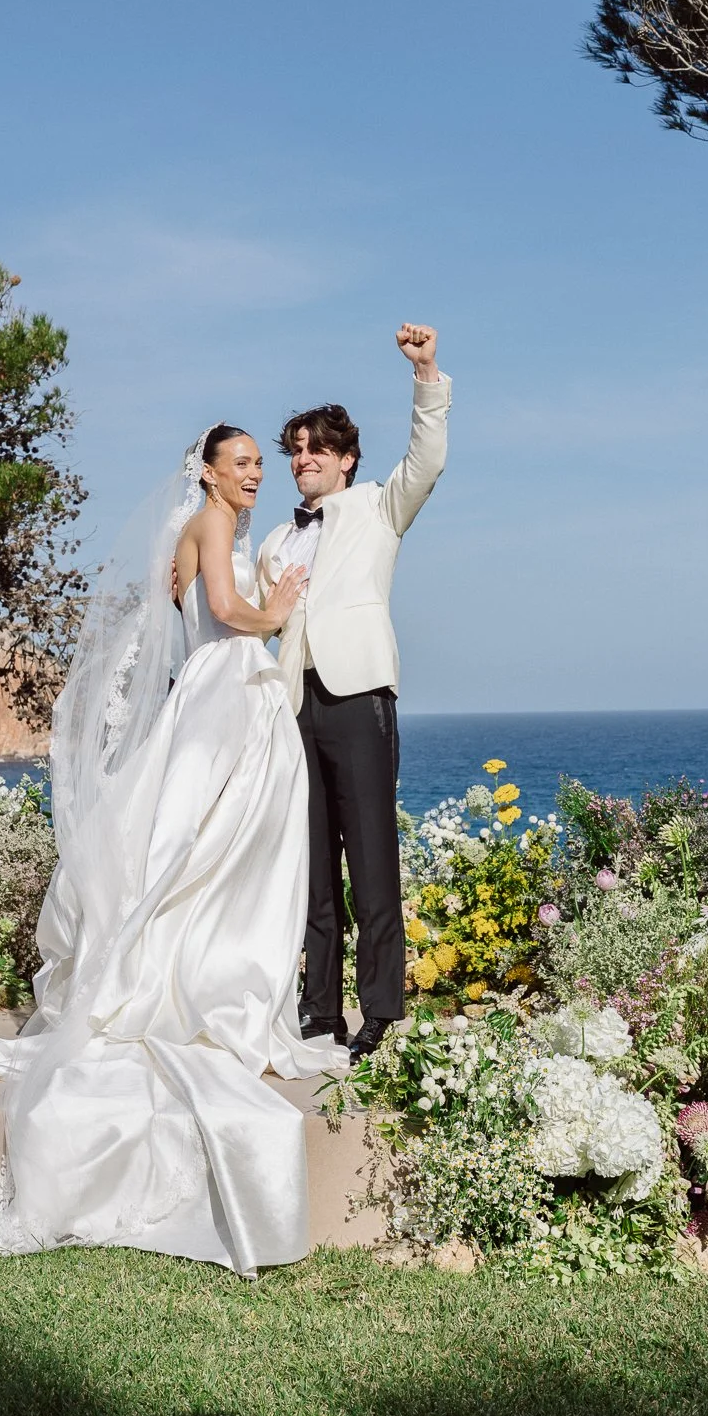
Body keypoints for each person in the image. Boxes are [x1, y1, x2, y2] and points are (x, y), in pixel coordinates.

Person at [0, 423, 347, 1277]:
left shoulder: (208, 529)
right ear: (207, 472)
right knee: (200, 851)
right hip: (227, 690)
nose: (255, 474)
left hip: (224, 692)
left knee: (216, 852)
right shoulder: (211, 524)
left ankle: (204, 975)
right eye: (241, 463)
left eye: (258, 464)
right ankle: (196, 986)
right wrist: (276, 615)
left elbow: (190, 599)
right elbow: (227, 612)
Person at [256, 324, 451, 1061]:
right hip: (292, 705)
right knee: (310, 866)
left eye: (317, 449)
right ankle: (318, 1009)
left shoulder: (379, 506)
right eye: (296, 450)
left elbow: (427, 458)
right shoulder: (274, 542)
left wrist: (425, 373)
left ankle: (381, 1012)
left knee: (371, 862)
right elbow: (253, 616)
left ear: (346, 459)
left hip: (359, 695)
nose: (303, 459)